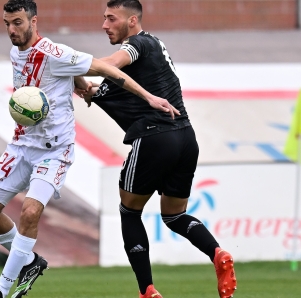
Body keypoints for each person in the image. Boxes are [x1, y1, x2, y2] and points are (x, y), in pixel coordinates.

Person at [0, 1, 179, 298]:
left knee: (30, 212)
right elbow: (61, 74)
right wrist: (79, 83)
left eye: (17, 22)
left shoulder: (54, 52)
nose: (11, 30)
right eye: (7, 23)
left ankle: (1, 291)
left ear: (33, 22)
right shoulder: (15, 53)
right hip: (21, 144)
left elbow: (105, 68)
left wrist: (148, 97)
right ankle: (30, 261)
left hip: (55, 150)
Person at [78, 1, 238, 298]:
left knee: (129, 210)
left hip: (156, 138)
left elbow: (112, 63)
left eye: (111, 18)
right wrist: (80, 82)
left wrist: (72, 62)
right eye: (104, 18)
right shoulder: (150, 56)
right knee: (175, 215)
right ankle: (217, 253)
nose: (104, 25)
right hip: (186, 138)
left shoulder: (138, 43)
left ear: (132, 20)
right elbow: (100, 87)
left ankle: (147, 290)